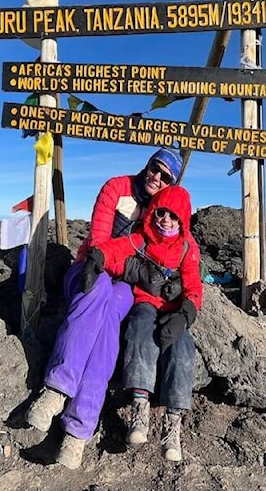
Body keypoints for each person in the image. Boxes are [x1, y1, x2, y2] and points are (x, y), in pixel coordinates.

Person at [24, 147, 184, 469]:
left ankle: (79, 431)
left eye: (166, 176)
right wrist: (133, 270)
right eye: (156, 168)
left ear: (171, 184)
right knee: (97, 292)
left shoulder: (159, 212)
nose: (157, 177)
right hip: (88, 270)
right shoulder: (116, 187)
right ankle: (57, 389)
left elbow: (156, 257)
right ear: (148, 165)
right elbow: (98, 242)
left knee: (112, 314)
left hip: (124, 285)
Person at [96, 184, 203, 462]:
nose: (165, 219)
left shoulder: (188, 247)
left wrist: (186, 314)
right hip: (144, 302)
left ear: (183, 219)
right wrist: (98, 256)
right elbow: (117, 250)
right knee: (140, 332)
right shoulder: (142, 237)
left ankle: (173, 423)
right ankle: (139, 408)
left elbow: (194, 285)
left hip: (173, 310)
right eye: (161, 212)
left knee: (182, 349)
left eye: (173, 215)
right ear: (153, 212)